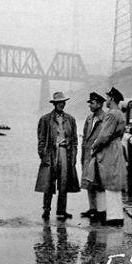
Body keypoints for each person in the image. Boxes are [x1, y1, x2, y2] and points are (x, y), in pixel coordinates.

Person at [35, 91, 80, 220]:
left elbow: (75, 140)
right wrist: (42, 155)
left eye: (63, 102)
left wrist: (74, 156)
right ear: (54, 104)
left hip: (65, 152)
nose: (62, 104)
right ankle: (46, 210)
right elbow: (41, 139)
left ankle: (62, 210)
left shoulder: (70, 119)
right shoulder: (45, 119)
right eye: (59, 102)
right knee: (48, 183)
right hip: (50, 153)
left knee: (64, 183)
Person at [90, 87, 127, 226]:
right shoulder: (121, 114)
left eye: (107, 98)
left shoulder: (111, 114)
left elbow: (104, 135)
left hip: (109, 149)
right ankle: (116, 214)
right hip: (117, 147)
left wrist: (94, 146)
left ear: (111, 99)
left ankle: (113, 217)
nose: (105, 100)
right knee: (115, 181)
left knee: (109, 181)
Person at [80, 92, 107, 218]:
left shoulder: (106, 119)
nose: (90, 105)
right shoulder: (89, 119)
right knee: (89, 182)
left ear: (100, 104)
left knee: (99, 183)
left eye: (92, 103)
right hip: (88, 154)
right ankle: (92, 208)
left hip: (99, 155)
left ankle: (101, 210)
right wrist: (83, 154)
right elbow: (85, 138)